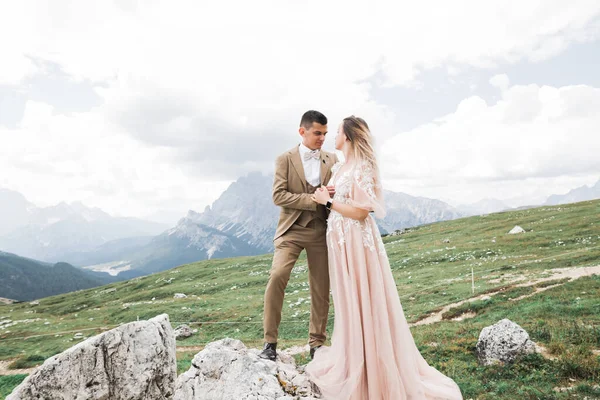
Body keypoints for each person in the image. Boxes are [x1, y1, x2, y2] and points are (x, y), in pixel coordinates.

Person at [305, 116, 463, 400]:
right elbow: (345, 197)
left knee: (365, 300)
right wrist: (329, 192)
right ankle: (354, 359)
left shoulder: (363, 167)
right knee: (348, 301)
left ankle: (374, 371)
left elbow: (362, 210)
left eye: (338, 131)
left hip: (356, 241)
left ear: (349, 137)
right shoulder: (340, 168)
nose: (333, 136)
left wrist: (326, 202)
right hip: (340, 242)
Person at [259, 110, 339, 361]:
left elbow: (337, 194)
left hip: (320, 230)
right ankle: (269, 342)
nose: (322, 138)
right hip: (291, 230)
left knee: (321, 287)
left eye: (325, 134)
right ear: (302, 131)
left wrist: (332, 196)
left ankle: (317, 345)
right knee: (277, 275)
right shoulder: (284, 158)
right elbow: (278, 196)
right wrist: (312, 198)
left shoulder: (333, 159)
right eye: (317, 133)